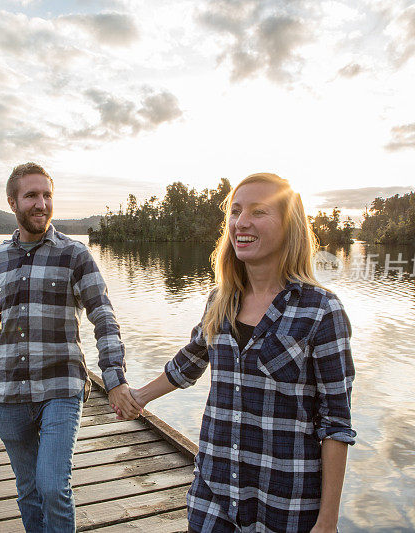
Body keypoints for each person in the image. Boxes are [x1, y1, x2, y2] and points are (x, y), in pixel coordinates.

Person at [119, 173, 356, 532]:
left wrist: (328, 520)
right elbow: (192, 359)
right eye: (235, 210)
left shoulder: (321, 311)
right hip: (214, 494)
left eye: (258, 212)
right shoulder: (220, 299)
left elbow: (336, 424)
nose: (241, 222)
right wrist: (139, 397)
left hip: (285, 504)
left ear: (289, 226)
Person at [0, 162, 142, 532]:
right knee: (28, 489)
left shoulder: (74, 255)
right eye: (31, 195)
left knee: (52, 486)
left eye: (47, 195)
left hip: (61, 388)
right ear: (12, 201)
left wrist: (115, 379)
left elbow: (104, 317)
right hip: (10, 393)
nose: (41, 203)